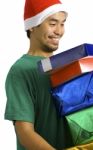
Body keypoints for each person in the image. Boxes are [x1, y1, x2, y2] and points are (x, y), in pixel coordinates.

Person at [4, 0, 73, 149]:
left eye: (62, 24)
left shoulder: (68, 66)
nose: (59, 31)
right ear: (32, 26)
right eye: (53, 24)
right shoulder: (20, 71)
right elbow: (24, 132)